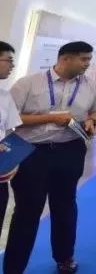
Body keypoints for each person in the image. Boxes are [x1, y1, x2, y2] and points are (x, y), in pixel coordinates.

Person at [6, 41, 96, 274]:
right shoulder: (28, 83)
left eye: (89, 59)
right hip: (32, 152)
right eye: (83, 59)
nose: (87, 64)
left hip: (70, 150)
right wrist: (51, 118)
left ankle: (64, 258)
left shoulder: (91, 85)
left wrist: (92, 120)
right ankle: (13, 267)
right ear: (65, 59)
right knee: (27, 211)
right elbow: (10, 118)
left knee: (65, 206)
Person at [0, 42, 23, 242]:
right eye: (8, 60)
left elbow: (8, 132)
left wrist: (12, 161)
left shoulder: (5, 96)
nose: (12, 66)